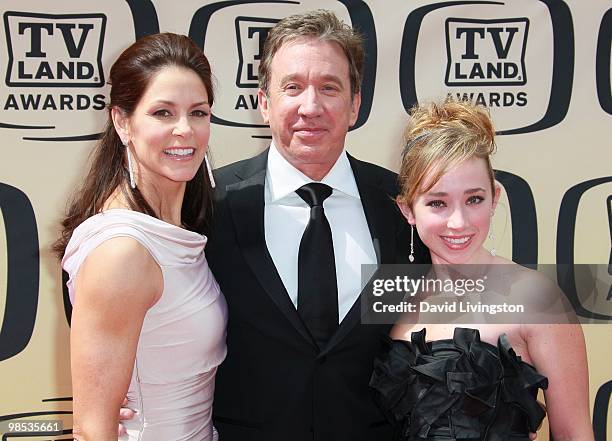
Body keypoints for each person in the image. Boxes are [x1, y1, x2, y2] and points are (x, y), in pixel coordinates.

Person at [204, 10, 429, 441]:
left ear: (355, 104)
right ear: (264, 102)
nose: (311, 107)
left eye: (329, 87)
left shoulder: (402, 203)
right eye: (292, 87)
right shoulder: (211, 203)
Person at [370, 100, 594, 441]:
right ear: (408, 210)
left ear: (494, 197)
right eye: (437, 202)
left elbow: (574, 434)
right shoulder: (393, 295)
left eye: (473, 199)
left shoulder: (537, 300)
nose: (458, 222)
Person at [54, 33, 227, 441]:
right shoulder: (123, 252)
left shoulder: (179, 228)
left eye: (198, 112)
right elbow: (93, 430)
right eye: (163, 113)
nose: (184, 130)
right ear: (122, 121)